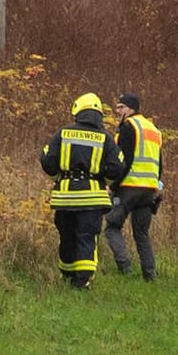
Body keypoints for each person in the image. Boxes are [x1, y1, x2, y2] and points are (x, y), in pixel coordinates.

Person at [39, 92, 124, 289]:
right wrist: (104, 179)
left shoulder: (63, 133)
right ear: (99, 115)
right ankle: (82, 281)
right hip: (92, 198)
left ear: (77, 111)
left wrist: (59, 178)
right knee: (87, 237)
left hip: (66, 197)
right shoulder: (106, 138)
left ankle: (67, 276)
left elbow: (47, 160)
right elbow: (118, 166)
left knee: (66, 235)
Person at [105, 92, 162, 281]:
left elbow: (124, 161)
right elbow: (159, 164)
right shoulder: (153, 129)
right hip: (149, 190)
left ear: (130, 109)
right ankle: (150, 275)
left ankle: (125, 268)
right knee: (142, 233)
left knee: (112, 226)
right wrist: (156, 188)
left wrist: (113, 185)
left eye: (121, 107)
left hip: (129, 186)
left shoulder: (129, 126)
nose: (117, 111)